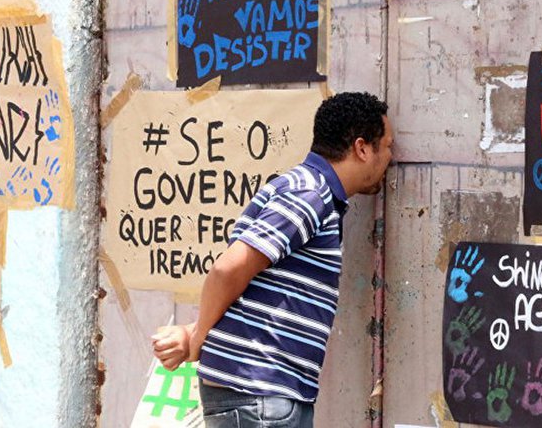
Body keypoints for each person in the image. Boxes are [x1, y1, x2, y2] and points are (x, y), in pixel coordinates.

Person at [151, 91, 393, 427]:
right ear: (362, 148)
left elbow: (255, 287)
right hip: (260, 395)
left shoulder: (298, 187)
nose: (391, 158)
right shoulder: (311, 193)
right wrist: (197, 339)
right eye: (388, 147)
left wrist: (195, 330)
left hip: (258, 394)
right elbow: (227, 270)